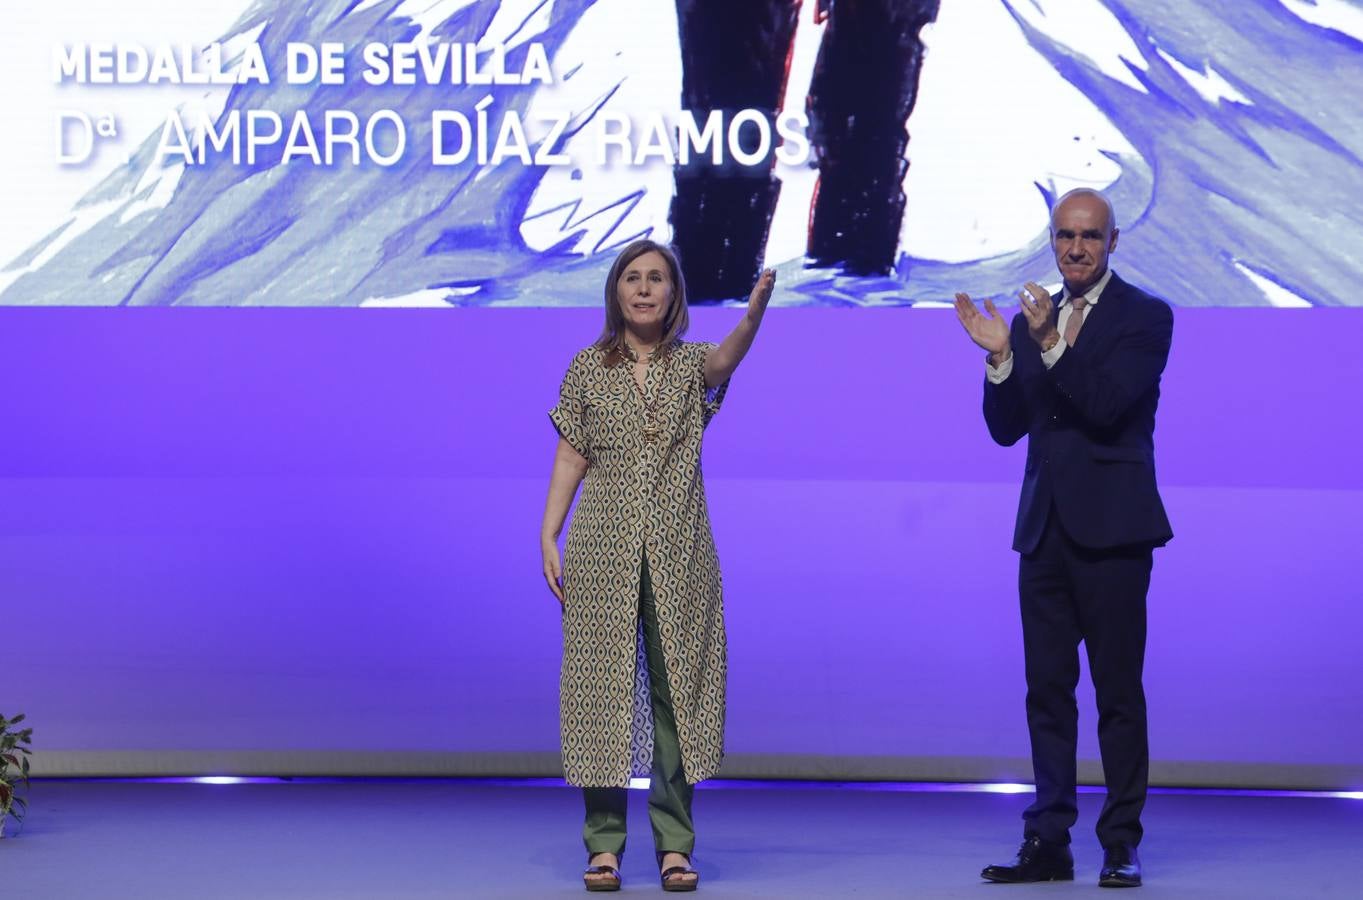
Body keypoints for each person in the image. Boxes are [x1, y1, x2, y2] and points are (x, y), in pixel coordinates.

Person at [953, 188, 1173, 888]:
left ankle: (1119, 844)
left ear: (1112, 243)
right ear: (1052, 241)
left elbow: (1107, 407)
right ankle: (1046, 842)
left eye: (1088, 237)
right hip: (1042, 532)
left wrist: (1046, 341)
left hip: (1113, 533)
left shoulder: (1144, 317)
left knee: (1116, 694)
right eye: (1063, 236)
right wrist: (998, 360)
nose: (1074, 248)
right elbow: (1006, 428)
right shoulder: (1030, 318)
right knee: (1045, 692)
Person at [541, 239, 775, 892]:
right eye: (632, 279)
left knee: (676, 697)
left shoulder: (691, 365)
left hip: (680, 551)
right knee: (601, 696)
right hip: (600, 549)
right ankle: (603, 845)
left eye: (656, 280)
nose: (644, 289)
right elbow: (570, 455)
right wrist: (548, 532)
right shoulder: (587, 367)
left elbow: (726, 358)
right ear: (615, 292)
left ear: (673, 294)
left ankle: (675, 845)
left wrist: (752, 314)